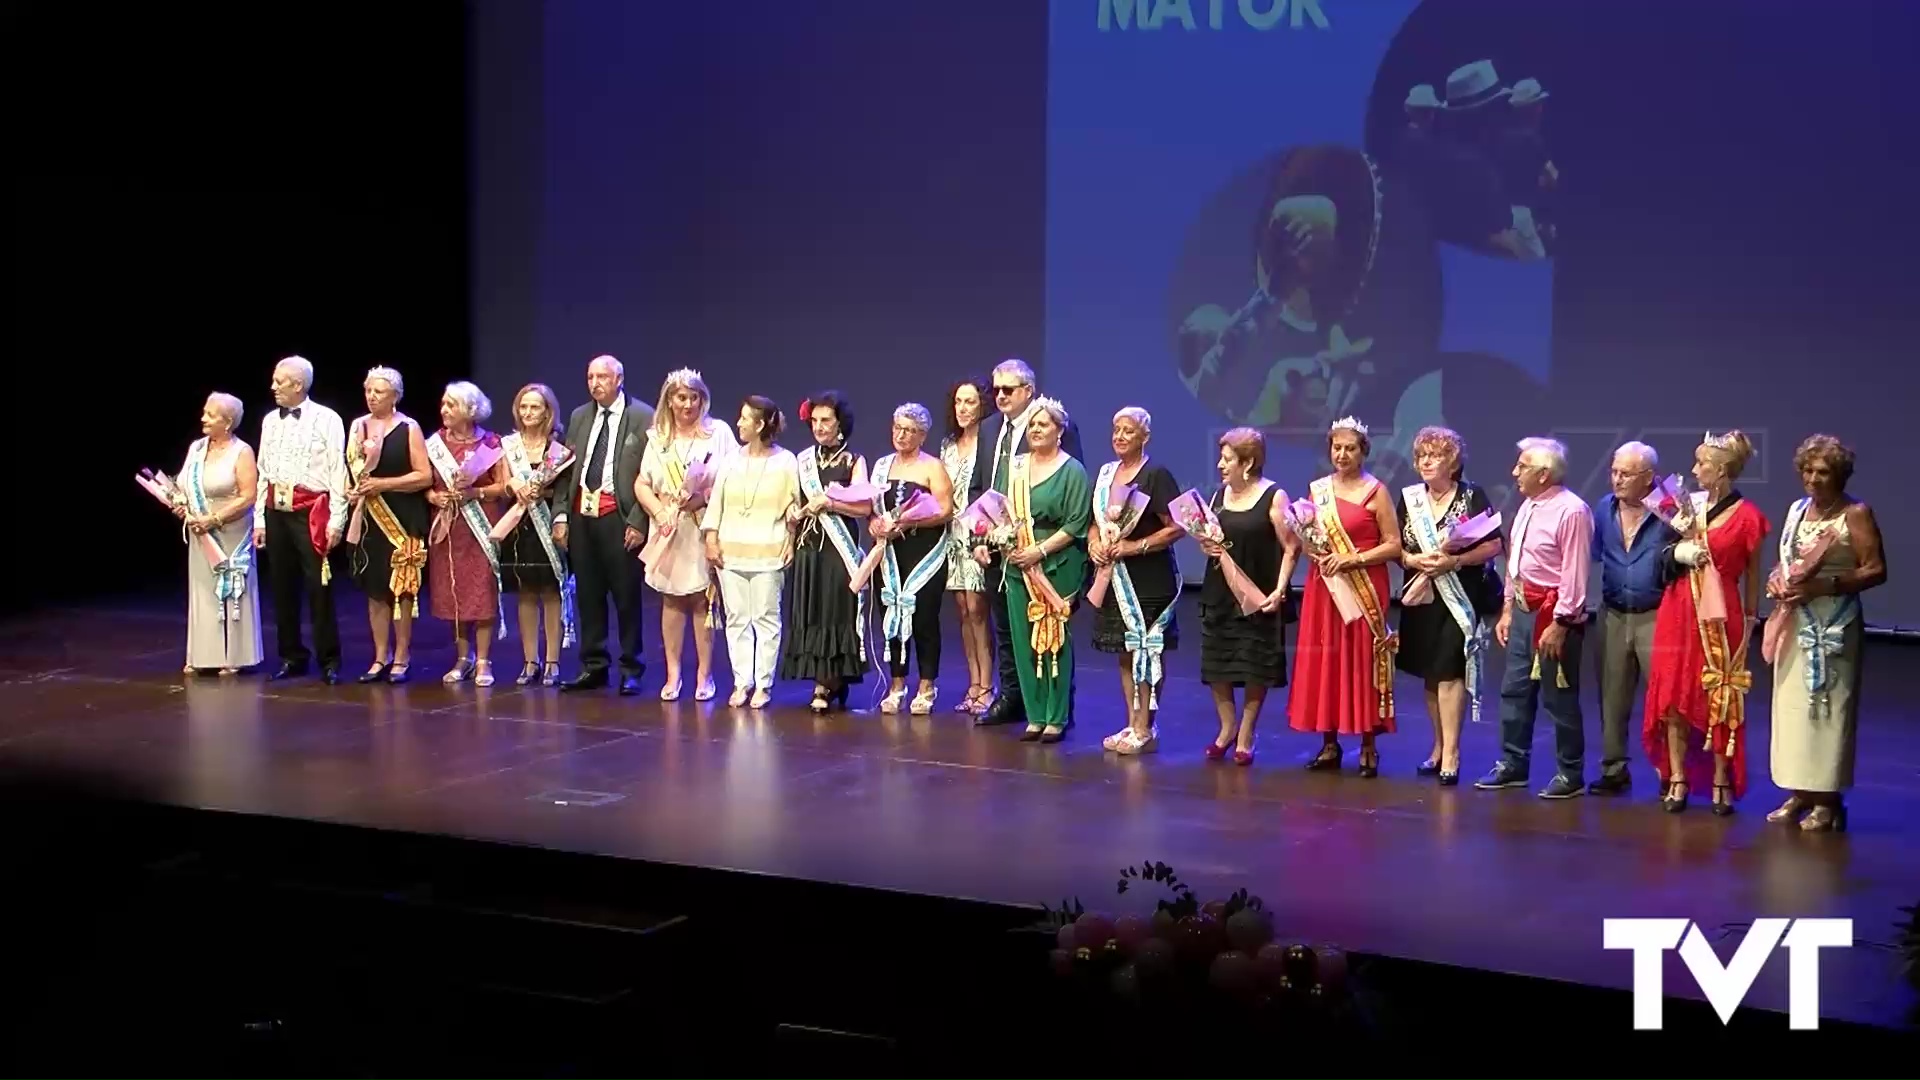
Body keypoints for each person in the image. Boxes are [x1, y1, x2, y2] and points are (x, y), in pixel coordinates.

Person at [1644, 431, 1770, 815]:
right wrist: (1679, 552)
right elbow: (1660, 558)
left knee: (1719, 695)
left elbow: (1751, 574)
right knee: (1674, 696)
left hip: (1721, 612)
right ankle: (1678, 776)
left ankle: (1721, 777)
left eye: (1702, 465)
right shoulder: (1685, 508)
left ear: (1721, 471)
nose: (1695, 470)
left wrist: (1750, 622)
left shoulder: (1749, 517)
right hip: (1678, 608)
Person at [1766, 434, 1885, 832]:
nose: (1813, 479)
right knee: (1794, 709)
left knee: (1828, 710)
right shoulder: (1797, 510)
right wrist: (1777, 580)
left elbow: (1875, 569)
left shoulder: (1855, 513)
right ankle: (1800, 791)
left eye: (1823, 472)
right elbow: (1788, 559)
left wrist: (1827, 586)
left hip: (1834, 624)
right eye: (1807, 470)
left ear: (1839, 475)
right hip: (1796, 620)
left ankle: (1827, 799)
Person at [968, 359, 1084, 728]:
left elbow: (1072, 499)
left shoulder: (1059, 430)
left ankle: (1057, 709)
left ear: (1028, 392)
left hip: (1049, 557)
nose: (999, 396)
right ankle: (1014, 699)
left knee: (1050, 634)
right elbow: (981, 489)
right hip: (1005, 554)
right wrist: (980, 537)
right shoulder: (988, 430)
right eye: (996, 389)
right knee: (1009, 630)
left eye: (1008, 389)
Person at [1477, 437, 1593, 798]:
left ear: (1544, 474)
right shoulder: (1528, 505)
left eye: (1522, 466)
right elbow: (1517, 565)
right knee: (1514, 691)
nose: (1514, 472)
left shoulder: (1571, 511)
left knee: (1558, 697)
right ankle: (1513, 764)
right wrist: (1508, 608)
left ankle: (1570, 773)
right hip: (1525, 611)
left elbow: (1574, 575)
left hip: (1553, 616)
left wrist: (1561, 624)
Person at [1290, 417, 1402, 777]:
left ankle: (1369, 744)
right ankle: (1329, 742)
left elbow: (1394, 546)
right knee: (1327, 659)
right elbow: (1308, 538)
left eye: (1349, 448)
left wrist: (1352, 558)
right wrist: (1311, 548)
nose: (1342, 454)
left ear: (1363, 452)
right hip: (1325, 586)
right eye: (1336, 447)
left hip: (1364, 584)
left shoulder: (1376, 491)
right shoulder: (1317, 489)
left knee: (1361, 660)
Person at [1393, 426, 1503, 786]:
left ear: (1452, 462)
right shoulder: (1410, 498)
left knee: (1449, 671)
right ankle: (1438, 746)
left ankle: (1453, 752)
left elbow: (1493, 546)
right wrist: (1412, 561)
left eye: (1435, 455)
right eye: (1422, 455)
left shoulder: (1472, 496)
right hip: (1422, 596)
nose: (1426, 461)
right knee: (1429, 673)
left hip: (1459, 598)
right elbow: (1398, 547)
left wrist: (1454, 562)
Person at [1192, 428, 1297, 764]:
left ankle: (1247, 733)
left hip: (1259, 593)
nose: (1221, 466)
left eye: (1228, 459)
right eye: (1221, 458)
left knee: (1255, 667)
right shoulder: (1218, 495)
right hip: (1220, 592)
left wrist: (1280, 590)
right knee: (1218, 665)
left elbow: (1292, 547)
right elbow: (1212, 539)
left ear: (1248, 462)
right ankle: (1227, 728)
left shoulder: (1274, 496)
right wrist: (1206, 545)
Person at [552, 355, 656, 696]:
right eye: (590, 377)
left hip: (619, 516)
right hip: (584, 516)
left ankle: (631, 667)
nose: (595, 383)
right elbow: (567, 470)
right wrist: (562, 514)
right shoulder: (580, 416)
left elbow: (650, 475)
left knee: (626, 596)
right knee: (588, 595)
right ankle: (593, 664)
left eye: (602, 377)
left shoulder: (642, 416)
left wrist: (639, 521)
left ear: (619, 379)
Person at [1090, 408, 1187, 756]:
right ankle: (1132, 721)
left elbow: (1177, 525)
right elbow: (1093, 521)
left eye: (1128, 431)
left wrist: (1136, 545)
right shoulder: (1105, 475)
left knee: (1148, 651)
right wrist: (1094, 544)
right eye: (1115, 429)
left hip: (1148, 577)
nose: (1119, 436)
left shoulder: (1155, 474)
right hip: (1114, 578)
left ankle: (1147, 726)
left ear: (1144, 437)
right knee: (1125, 650)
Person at [638, 367, 737, 701]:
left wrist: (702, 497)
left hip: (701, 523)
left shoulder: (718, 433)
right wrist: (658, 510)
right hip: (668, 525)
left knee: (701, 601)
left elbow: (734, 477)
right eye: (682, 397)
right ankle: (673, 673)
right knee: (671, 599)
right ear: (670, 399)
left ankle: (704, 675)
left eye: (695, 397)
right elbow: (642, 483)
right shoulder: (658, 438)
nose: (688, 404)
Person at [1586, 441, 1676, 794]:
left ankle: (1672, 772)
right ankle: (1614, 769)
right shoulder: (1603, 509)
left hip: (1657, 614)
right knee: (1612, 695)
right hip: (1613, 613)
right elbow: (1595, 555)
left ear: (1649, 478)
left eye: (1626, 474)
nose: (1617, 480)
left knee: (1664, 699)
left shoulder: (1670, 510)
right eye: (1614, 472)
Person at [253, 355, 348, 684]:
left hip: (311, 511)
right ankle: (292, 655)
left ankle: (329, 658)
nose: (273, 386)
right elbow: (262, 470)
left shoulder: (328, 419)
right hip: (276, 510)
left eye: (280, 381)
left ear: (298, 385)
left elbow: (338, 470)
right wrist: (259, 520)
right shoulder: (269, 420)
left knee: (318, 585)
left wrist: (337, 519)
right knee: (282, 585)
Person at [702, 397, 800, 708]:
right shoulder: (731, 459)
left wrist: (790, 539)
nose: (739, 423)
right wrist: (712, 539)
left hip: (767, 551)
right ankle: (742, 681)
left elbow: (792, 507)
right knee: (737, 618)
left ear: (760, 425)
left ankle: (764, 683)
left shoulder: (785, 462)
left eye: (746, 419)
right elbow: (716, 501)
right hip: (730, 552)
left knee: (765, 618)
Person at [782, 391, 871, 712]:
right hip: (809, 545)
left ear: (840, 424)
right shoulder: (804, 460)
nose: (819, 427)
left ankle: (831, 680)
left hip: (839, 547)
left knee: (836, 610)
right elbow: (793, 499)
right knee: (813, 610)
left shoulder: (853, 461)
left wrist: (832, 502)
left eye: (826, 421)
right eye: (815, 421)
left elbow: (864, 506)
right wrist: (794, 516)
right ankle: (821, 678)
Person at [345, 366, 431, 684]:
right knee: (375, 589)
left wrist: (384, 484)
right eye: (368, 391)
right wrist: (352, 489)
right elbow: (353, 472)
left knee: (403, 589)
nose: (371, 397)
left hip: (401, 517)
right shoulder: (357, 427)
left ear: (395, 395)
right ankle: (380, 656)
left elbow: (423, 476)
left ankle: (402, 655)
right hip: (369, 519)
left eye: (378, 392)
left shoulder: (409, 427)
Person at [870, 403, 956, 713]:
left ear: (922, 435)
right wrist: (875, 523)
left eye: (909, 430)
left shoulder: (932, 466)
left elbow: (946, 510)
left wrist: (911, 522)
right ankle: (896, 685)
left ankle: (926, 685)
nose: (901, 435)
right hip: (891, 553)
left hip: (924, 552)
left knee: (923, 619)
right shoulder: (881, 466)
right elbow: (871, 507)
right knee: (891, 616)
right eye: (897, 428)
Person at [424, 381, 509, 686]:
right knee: (454, 591)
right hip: (449, 527)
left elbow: (503, 487)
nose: (444, 410)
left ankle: (484, 660)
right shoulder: (434, 443)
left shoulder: (491, 443)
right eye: (444, 404)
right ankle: (463, 657)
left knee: (481, 591)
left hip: (481, 524)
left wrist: (476, 493)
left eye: (452, 405)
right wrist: (434, 497)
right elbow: (426, 484)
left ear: (471, 411)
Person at [179, 392, 263, 675]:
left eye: (211, 415)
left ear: (227, 422)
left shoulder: (242, 451)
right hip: (199, 529)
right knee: (203, 590)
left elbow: (249, 496)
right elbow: (184, 486)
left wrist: (214, 519)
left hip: (230, 529)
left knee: (232, 591)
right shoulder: (196, 448)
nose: (203, 418)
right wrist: (181, 505)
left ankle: (235, 655)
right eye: (205, 412)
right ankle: (203, 655)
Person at [500, 382, 571, 687]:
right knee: (526, 592)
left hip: (549, 523)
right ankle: (530, 661)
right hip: (519, 525)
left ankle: (553, 661)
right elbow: (503, 480)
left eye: (535, 407)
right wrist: (512, 486)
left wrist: (544, 489)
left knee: (551, 591)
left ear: (547, 412)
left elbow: (564, 488)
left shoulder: (560, 449)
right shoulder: (508, 446)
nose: (528, 412)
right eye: (524, 407)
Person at [940, 378, 995, 715]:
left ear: (982, 406)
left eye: (969, 402)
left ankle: (987, 685)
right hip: (950, 535)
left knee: (978, 609)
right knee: (962, 610)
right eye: (958, 401)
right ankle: (973, 682)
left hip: (976, 532)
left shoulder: (989, 444)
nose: (962, 408)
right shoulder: (948, 445)